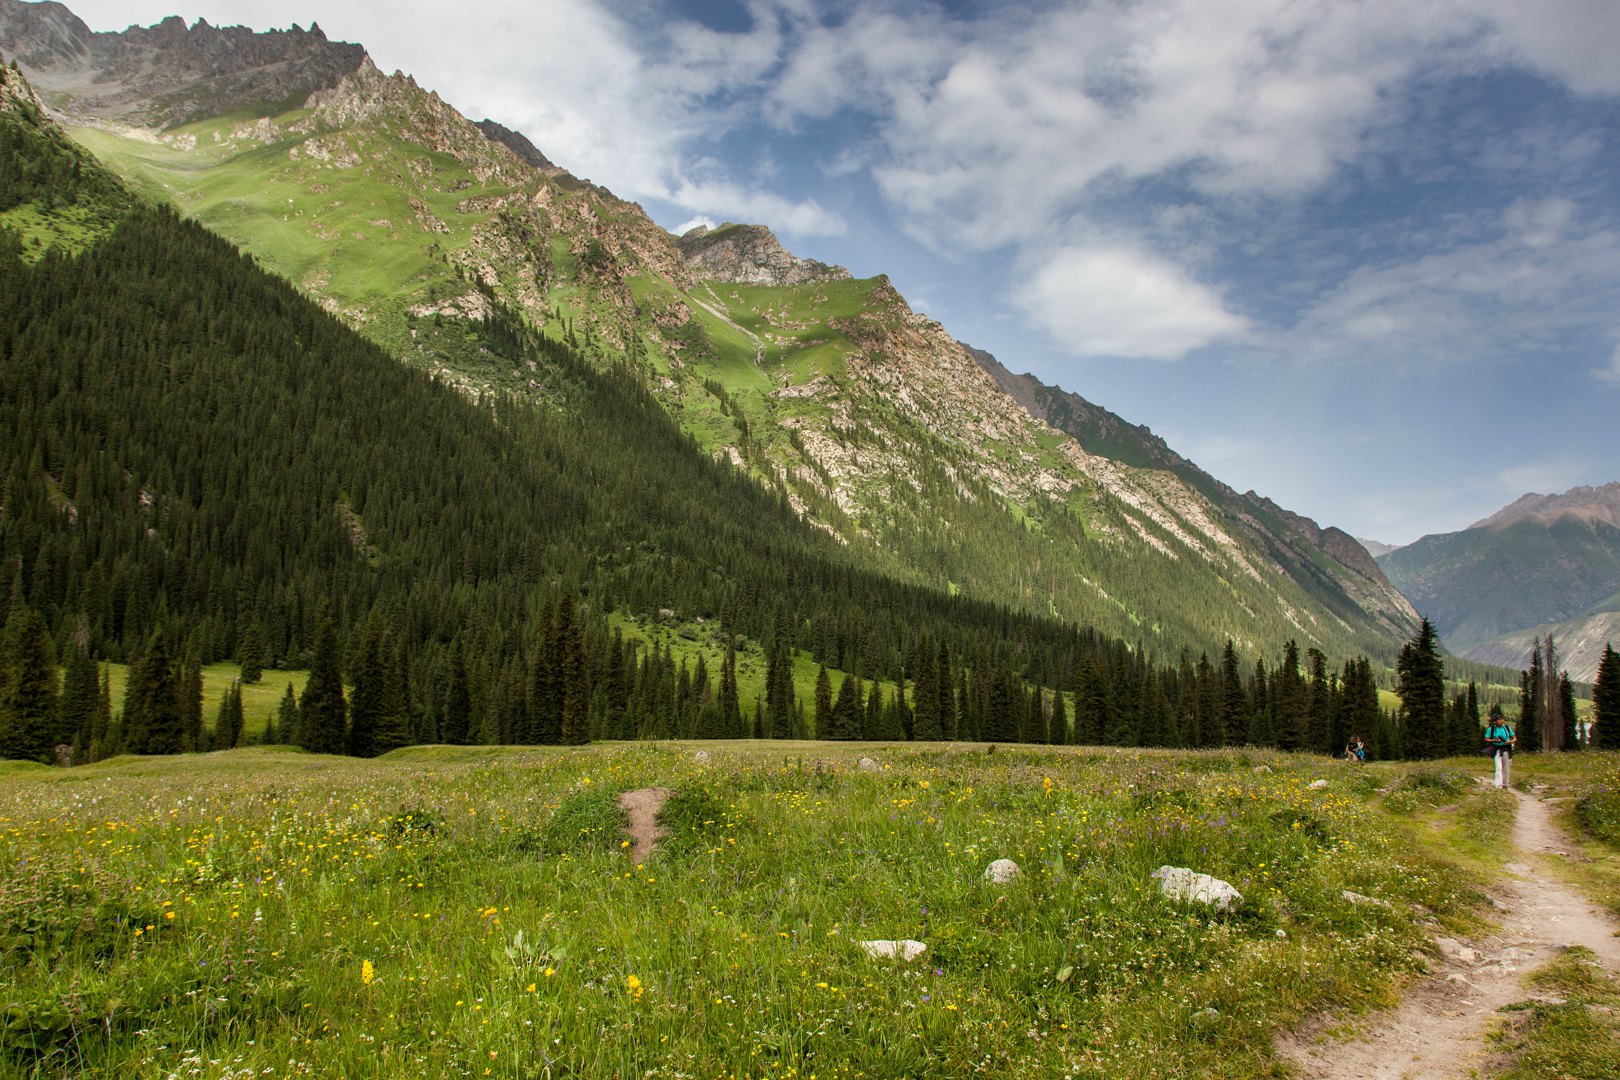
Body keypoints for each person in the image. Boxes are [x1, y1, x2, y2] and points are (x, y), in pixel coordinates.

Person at [1484, 705, 1516, 789]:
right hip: (1497, 749)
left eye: (1502, 719)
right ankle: (1498, 785)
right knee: (1498, 767)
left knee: (1506, 768)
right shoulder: (1491, 729)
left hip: (1506, 749)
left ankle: (1505, 784)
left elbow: (1514, 738)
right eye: (1499, 719)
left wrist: (1510, 742)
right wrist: (1494, 740)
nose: (1502, 721)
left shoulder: (1507, 728)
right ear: (1495, 721)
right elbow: (1486, 739)